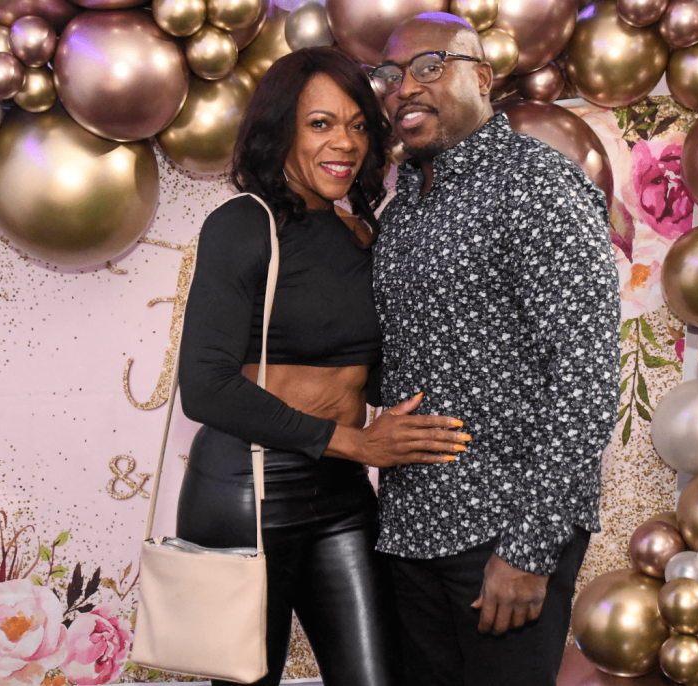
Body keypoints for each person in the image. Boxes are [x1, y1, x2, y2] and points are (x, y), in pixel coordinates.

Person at [175, 47, 470, 686]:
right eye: (320, 124)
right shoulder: (243, 225)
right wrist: (359, 442)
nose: (346, 142)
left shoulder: (362, 231)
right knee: (248, 677)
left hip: (340, 493)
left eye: (359, 125)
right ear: (280, 128)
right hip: (246, 488)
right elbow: (204, 385)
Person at [368, 14, 621, 686]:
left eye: (427, 66)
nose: (402, 89)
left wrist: (530, 549)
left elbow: (586, 374)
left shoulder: (535, 183)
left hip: (500, 532)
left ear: (480, 77)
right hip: (410, 530)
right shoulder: (402, 212)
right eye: (389, 77)